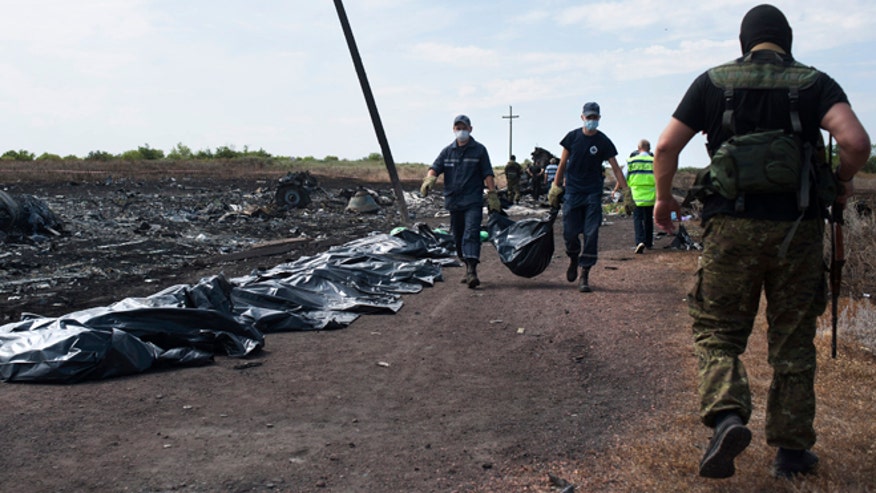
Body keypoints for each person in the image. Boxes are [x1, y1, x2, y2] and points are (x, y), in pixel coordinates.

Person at [651, 4, 870, 480]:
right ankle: (791, 452)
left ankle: (728, 414)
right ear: (787, 41)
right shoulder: (814, 83)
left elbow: (666, 146)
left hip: (731, 228)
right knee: (792, 340)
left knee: (718, 331)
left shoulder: (713, 82)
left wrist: (664, 200)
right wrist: (843, 180)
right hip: (798, 230)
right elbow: (855, 141)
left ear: (744, 41)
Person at [548, 102, 628, 292]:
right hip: (573, 193)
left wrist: (627, 192)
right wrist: (555, 187)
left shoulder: (603, 142)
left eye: (595, 117)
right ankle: (573, 257)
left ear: (599, 118)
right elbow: (562, 164)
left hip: (593, 193)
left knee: (591, 234)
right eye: (589, 117)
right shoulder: (572, 138)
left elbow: (616, 168)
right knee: (570, 233)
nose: (592, 120)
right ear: (582, 117)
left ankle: (585, 274)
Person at [421, 114, 502, 289]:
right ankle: (466, 265)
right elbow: (435, 168)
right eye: (458, 128)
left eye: (464, 128)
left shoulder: (479, 150)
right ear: (453, 130)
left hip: (473, 200)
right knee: (457, 236)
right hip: (454, 201)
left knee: (471, 232)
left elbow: (487, 173)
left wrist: (493, 195)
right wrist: (429, 180)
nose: (461, 131)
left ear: (470, 129)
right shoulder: (447, 151)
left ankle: (472, 270)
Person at [627, 139, 656, 253]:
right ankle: (649, 242)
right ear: (649, 149)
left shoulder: (631, 161)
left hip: (636, 195)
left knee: (637, 219)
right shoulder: (655, 161)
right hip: (650, 195)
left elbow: (624, 176)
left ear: (638, 148)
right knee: (648, 219)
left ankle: (640, 241)